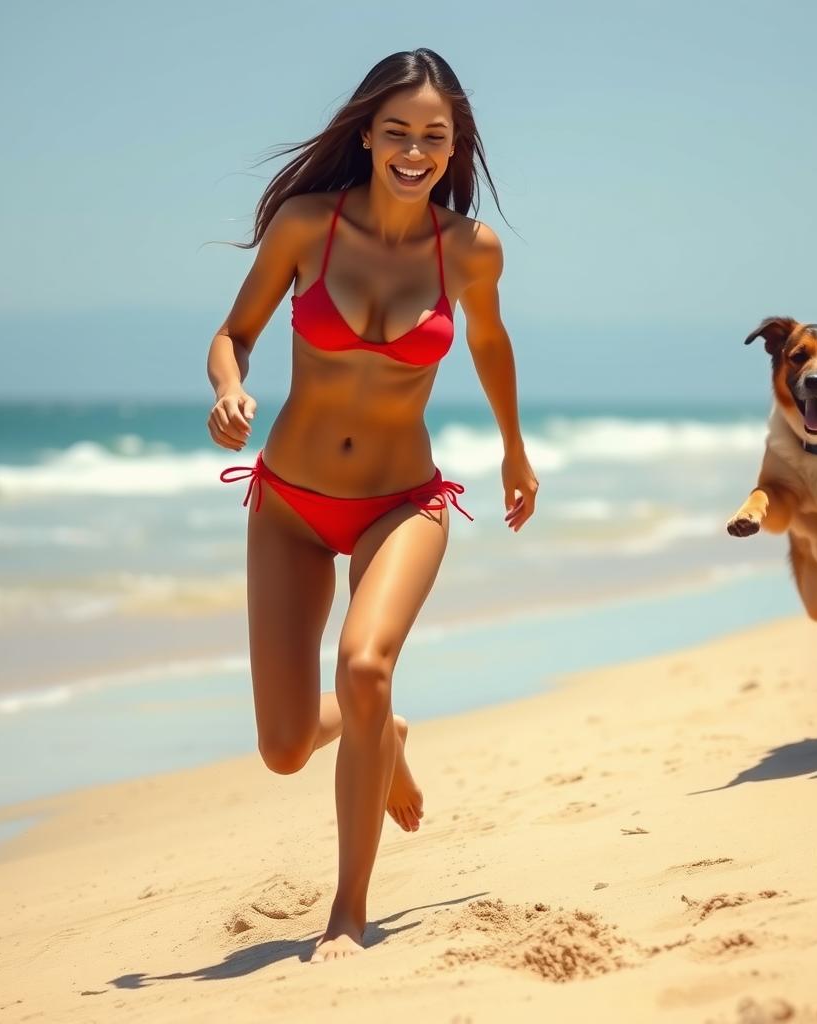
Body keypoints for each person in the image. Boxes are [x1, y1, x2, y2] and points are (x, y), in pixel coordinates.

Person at [206, 48, 538, 963]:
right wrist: (229, 389)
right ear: (366, 134)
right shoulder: (308, 227)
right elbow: (235, 334)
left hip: (404, 502)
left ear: (452, 146)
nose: (413, 150)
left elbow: (491, 344)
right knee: (280, 747)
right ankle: (379, 731)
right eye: (397, 131)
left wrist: (515, 450)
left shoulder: (469, 248)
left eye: (434, 137)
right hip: (289, 508)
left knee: (363, 664)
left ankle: (347, 914)